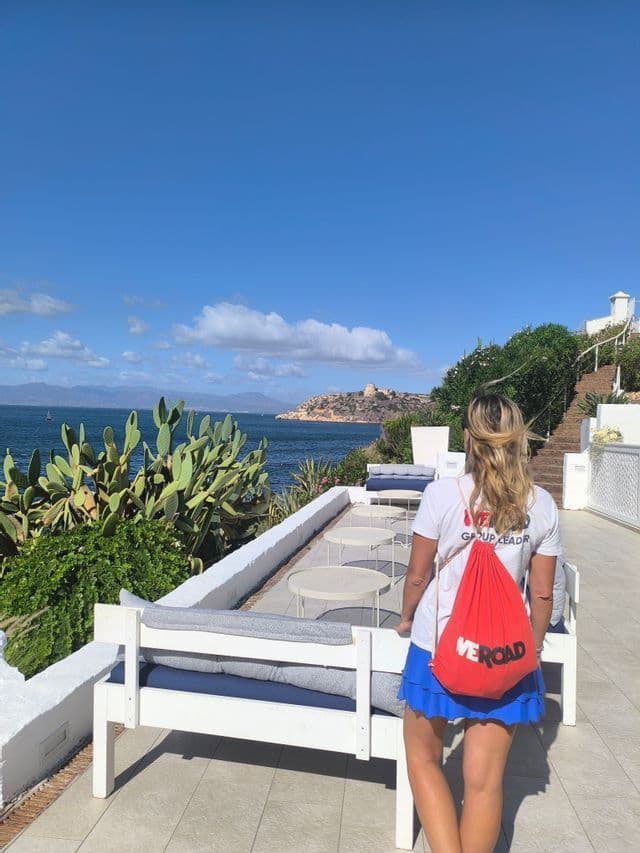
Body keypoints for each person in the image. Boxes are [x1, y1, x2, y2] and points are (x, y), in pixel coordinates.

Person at [395, 394, 562, 853]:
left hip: (437, 646)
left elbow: (417, 575)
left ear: (469, 439)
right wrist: (533, 647)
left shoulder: (441, 495)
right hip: (505, 652)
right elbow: (543, 594)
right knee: (486, 785)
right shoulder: (542, 504)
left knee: (424, 759)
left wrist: (407, 617)